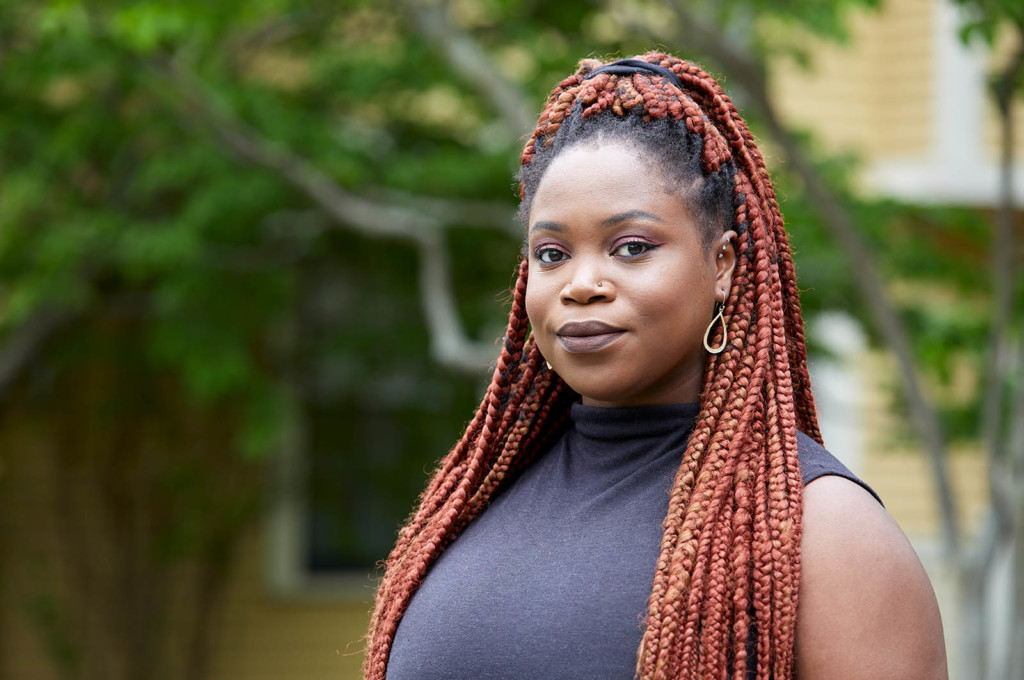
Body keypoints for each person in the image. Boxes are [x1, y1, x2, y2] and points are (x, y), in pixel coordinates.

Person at [365, 52, 947, 680]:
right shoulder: (469, 504)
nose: (582, 283)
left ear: (722, 264)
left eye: (632, 247)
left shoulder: (825, 534)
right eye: (552, 253)